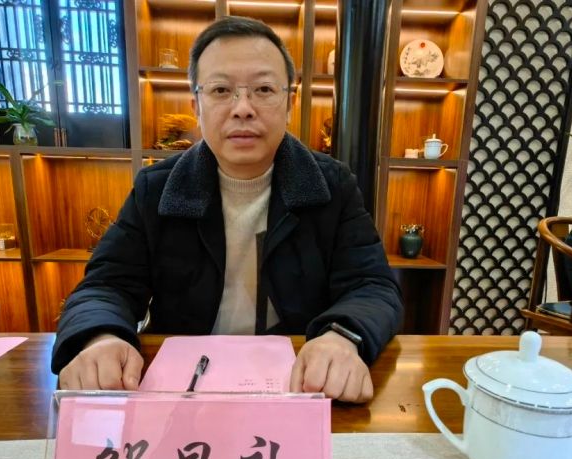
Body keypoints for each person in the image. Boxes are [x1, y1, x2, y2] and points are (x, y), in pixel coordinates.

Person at [52, 16, 403, 403]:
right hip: (185, 388)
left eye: (263, 89)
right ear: (196, 105)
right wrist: (101, 338)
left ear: (290, 102)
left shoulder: (332, 186)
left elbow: (372, 286)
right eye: (221, 90)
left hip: (297, 386)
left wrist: (342, 337)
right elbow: (105, 286)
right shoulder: (157, 189)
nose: (243, 109)